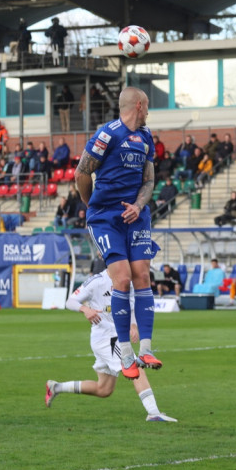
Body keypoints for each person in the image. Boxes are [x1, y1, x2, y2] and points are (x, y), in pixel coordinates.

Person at [74, 86, 159, 379]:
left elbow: (149, 180)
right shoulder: (106, 135)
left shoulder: (147, 137)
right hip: (107, 217)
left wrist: (138, 205)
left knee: (143, 275)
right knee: (121, 279)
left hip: (136, 215)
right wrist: (91, 207)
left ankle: (146, 347)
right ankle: (125, 353)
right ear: (138, 105)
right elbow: (81, 173)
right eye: (146, 106)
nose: (148, 112)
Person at [45, 269, 175, 421]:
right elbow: (70, 301)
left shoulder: (127, 279)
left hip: (116, 336)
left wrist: (133, 325)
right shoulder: (97, 281)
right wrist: (86, 309)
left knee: (104, 389)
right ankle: (154, 413)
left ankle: (56, 387)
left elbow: (131, 306)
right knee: (134, 366)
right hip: (105, 337)